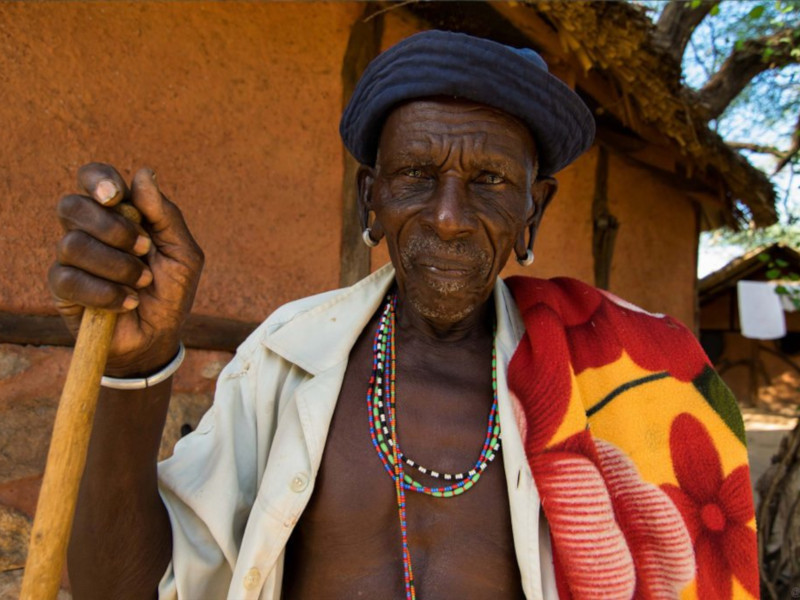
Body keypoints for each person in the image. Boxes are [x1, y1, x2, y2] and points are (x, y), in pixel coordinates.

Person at [51, 31, 757, 600]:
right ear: (371, 198)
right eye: (417, 175)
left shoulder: (620, 386)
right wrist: (133, 370)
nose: (449, 219)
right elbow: (125, 590)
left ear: (531, 212)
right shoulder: (285, 359)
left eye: (490, 182)